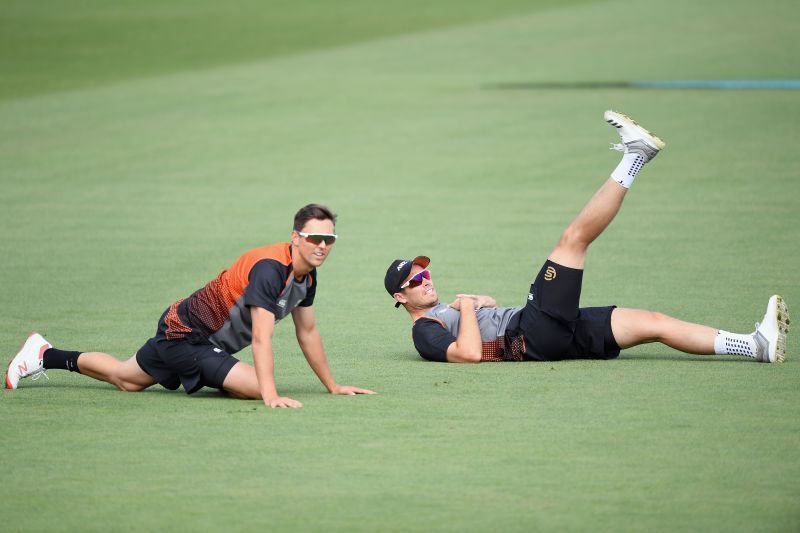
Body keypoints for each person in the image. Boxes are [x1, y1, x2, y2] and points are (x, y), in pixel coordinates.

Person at [384, 111, 790, 364]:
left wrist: (479, 304)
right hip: (531, 334)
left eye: (424, 271)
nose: (426, 279)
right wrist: (470, 306)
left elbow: (482, 317)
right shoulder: (424, 332)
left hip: (550, 335)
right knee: (572, 241)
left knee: (654, 323)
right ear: (401, 298)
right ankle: (635, 157)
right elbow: (469, 354)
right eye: (415, 280)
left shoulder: (446, 312)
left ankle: (754, 345)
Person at [6, 204, 375, 408]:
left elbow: (307, 331)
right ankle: (218, 374)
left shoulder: (307, 278)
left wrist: (333, 385)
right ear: (296, 237)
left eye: (329, 238)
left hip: (180, 330)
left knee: (125, 379)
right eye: (315, 237)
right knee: (255, 384)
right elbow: (262, 339)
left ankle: (45, 354)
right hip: (186, 336)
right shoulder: (269, 270)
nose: (323, 245)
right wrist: (271, 396)